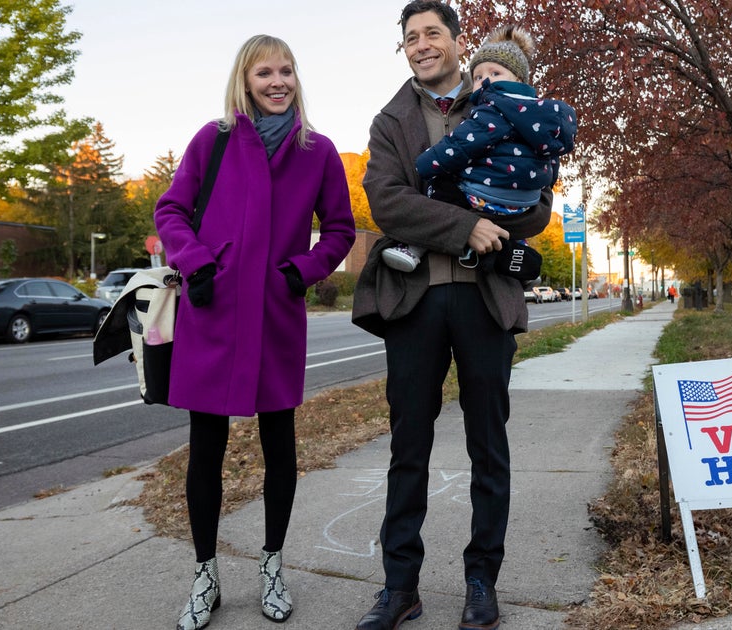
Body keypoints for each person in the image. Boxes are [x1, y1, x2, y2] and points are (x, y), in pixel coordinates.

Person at [349, 3, 554, 629]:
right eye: (410, 38)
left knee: (488, 447)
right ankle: (399, 588)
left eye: (432, 33)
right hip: (413, 301)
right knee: (407, 447)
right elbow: (387, 202)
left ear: (459, 42)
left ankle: (480, 583)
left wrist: (498, 223)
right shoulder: (390, 121)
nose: (421, 45)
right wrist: (469, 225)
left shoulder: (501, 98)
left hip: (484, 299)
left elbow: (537, 203)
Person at [153, 34, 356, 630]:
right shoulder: (212, 139)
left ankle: (272, 567)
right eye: (264, 72)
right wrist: (195, 262)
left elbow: (341, 230)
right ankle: (205, 574)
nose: (277, 82)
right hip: (212, 314)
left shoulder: (316, 150)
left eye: (286, 71)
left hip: (274, 316)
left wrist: (302, 271)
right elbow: (170, 210)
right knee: (205, 452)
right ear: (245, 80)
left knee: (280, 449)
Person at [380, 24, 576, 272]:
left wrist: (426, 164)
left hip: (486, 194)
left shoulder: (492, 108)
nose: (485, 82)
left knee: (442, 185)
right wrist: (540, 181)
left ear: (518, 79)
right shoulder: (544, 116)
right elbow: (552, 159)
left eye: (495, 73)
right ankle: (519, 250)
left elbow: (460, 145)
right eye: (479, 77)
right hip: (526, 199)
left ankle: (414, 247)